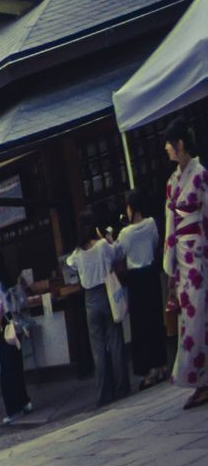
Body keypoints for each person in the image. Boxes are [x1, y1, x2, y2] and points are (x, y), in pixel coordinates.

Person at [168, 129, 208, 409]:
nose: (166, 149)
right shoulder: (173, 181)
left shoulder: (200, 174)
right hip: (182, 257)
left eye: (169, 143)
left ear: (180, 143)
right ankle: (201, 381)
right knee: (190, 318)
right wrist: (170, 264)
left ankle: (203, 381)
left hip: (198, 252)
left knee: (198, 317)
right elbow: (170, 222)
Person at [73, 223, 132, 407]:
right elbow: (117, 254)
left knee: (97, 348)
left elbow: (70, 264)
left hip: (90, 299)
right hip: (106, 293)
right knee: (115, 341)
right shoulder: (102, 245)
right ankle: (122, 387)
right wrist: (105, 239)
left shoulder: (77, 253)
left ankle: (104, 394)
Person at [120, 188, 165, 393]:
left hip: (136, 280)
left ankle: (148, 373)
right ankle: (161, 366)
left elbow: (120, 253)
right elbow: (155, 243)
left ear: (130, 208)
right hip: (151, 275)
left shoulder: (125, 233)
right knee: (155, 319)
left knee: (140, 326)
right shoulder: (151, 224)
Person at [0, 270, 33, 423]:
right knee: (16, 365)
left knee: (7, 370)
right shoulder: (5, 281)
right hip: (15, 323)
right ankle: (24, 401)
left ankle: (14, 409)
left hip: (5, 326)